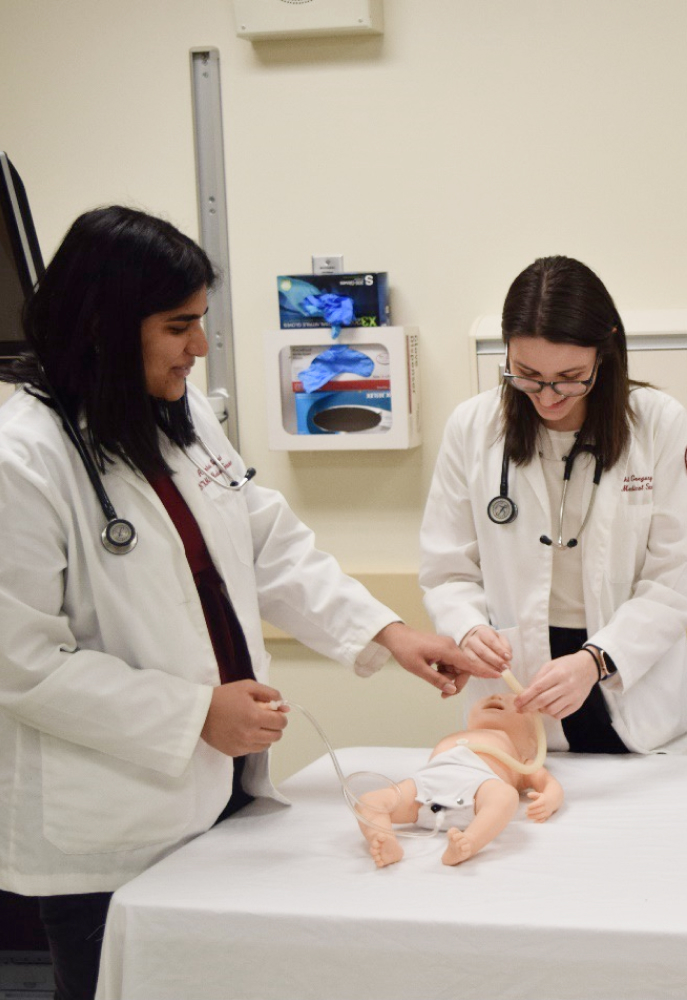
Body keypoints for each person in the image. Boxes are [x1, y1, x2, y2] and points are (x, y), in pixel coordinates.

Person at [0, 206, 495, 1000]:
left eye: (199, 322)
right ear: (102, 325)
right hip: (111, 830)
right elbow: (22, 666)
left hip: (220, 799)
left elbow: (264, 540)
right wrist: (194, 713)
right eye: (178, 326)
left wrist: (389, 631)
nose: (199, 347)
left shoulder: (180, 415)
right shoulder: (21, 461)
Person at [420, 255, 687, 754]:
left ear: (606, 351)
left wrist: (594, 661)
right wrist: (467, 627)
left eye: (570, 377)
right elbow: (447, 570)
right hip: (518, 679)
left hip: (628, 675)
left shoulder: (658, 424)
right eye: (527, 375)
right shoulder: (472, 427)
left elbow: (671, 582)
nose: (548, 397)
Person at [357, 688, 562, 868]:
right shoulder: (457, 736)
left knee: (506, 796)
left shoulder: (521, 758)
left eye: (514, 702)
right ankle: (383, 838)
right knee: (369, 801)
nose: (498, 695)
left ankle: (469, 842)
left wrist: (550, 800)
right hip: (425, 789)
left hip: (478, 791)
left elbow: (549, 783)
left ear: (532, 742)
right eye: (496, 696)